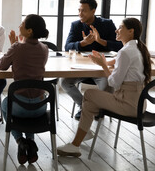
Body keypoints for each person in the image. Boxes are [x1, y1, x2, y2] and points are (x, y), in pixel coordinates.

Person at [57, 17, 152, 157]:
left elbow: (114, 83)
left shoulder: (125, 52)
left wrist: (102, 65)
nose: (116, 30)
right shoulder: (137, 48)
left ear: (131, 31)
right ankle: (78, 141)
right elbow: (118, 61)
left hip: (128, 104)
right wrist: (103, 61)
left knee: (89, 95)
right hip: (138, 103)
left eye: (120, 27)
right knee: (89, 104)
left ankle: (78, 141)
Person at [0, 14, 49, 165]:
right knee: (30, 111)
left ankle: (20, 141)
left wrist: (13, 46)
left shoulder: (17, 47)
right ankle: (30, 142)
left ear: (29, 31)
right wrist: (15, 45)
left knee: (4, 105)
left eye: (22, 24)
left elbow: (1, 66)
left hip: (19, 107)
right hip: (40, 106)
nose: (19, 26)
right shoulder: (44, 49)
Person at [59, 0, 122, 120]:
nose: (80, 14)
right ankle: (84, 106)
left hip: (101, 66)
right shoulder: (76, 25)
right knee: (64, 82)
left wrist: (101, 41)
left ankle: (99, 109)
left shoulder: (107, 24)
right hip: (80, 67)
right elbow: (67, 46)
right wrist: (82, 43)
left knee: (108, 85)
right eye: (79, 10)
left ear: (93, 11)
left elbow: (120, 45)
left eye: (84, 11)